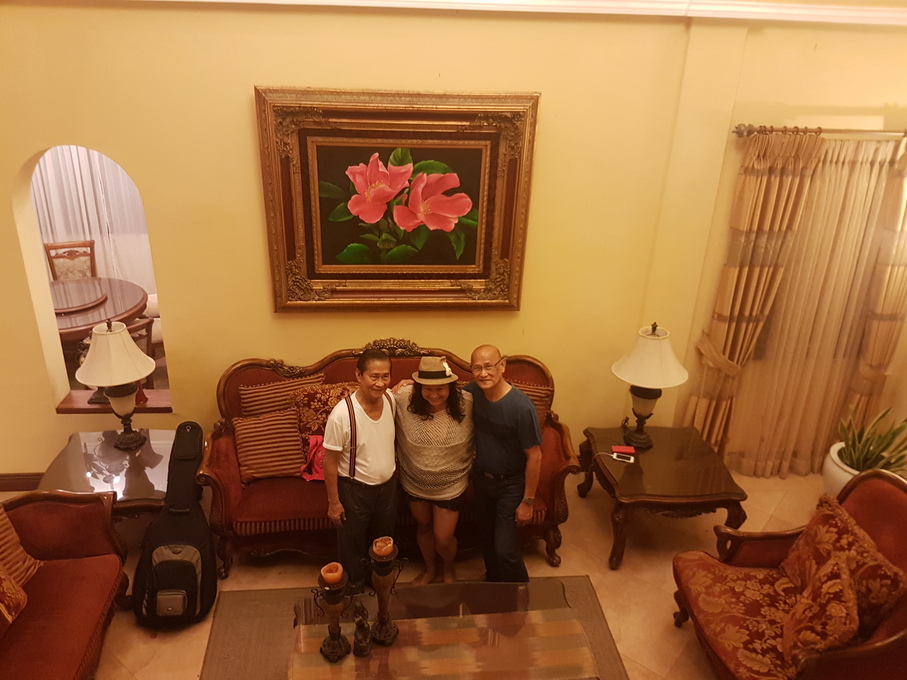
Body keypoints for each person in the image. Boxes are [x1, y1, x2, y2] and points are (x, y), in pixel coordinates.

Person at [464, 344, 542, 583]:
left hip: (511, 484)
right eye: (477, 368)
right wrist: (408, 384)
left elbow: (535, 456)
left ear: (502, 366)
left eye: (489, 366)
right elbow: (441, 392)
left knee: (504, 549)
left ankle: (521, 591)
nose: (483, 374)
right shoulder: (473, 392)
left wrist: (528, 502)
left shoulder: (521, 407)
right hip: (482, 479)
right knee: (486, 541)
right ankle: (495, 587)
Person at [393, 355, 474, 584]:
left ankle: (448, 569)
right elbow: (372, 396)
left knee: (444, 538)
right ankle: (430, 570)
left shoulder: (468, 402)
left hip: (451, 484)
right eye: (427, 388)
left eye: (440, 388)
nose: (434, 394)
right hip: (414, 482)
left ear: (451, 386)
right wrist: (406, 384)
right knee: (424, 527)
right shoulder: (403, 398)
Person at [323, 348, 397, 591]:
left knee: (383, 544)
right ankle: (354, 590)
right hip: (355, 491)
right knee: (352, 547)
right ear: (358, 375)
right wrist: (334, 503)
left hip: (388, 489)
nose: (380, 383)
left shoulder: (391, 400)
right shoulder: (342, 415)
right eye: (373, 376)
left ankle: (380, 586)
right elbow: (330, 462)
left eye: (385, 376)